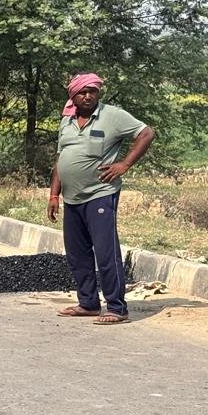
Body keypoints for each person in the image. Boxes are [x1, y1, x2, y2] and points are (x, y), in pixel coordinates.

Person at [48, 73, 155, 325]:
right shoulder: (67, 121)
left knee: (106, 251)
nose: (88, 96)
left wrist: (124, 164)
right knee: (77, 253)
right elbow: (61, 159)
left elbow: (147, 133)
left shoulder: (113, 116)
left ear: (98, 93)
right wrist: (54, 193)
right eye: (82, 92)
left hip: (100, 194)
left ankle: (117, 308)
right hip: (71, 198)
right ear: (72, 96)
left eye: (92, 91)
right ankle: (88, 303)